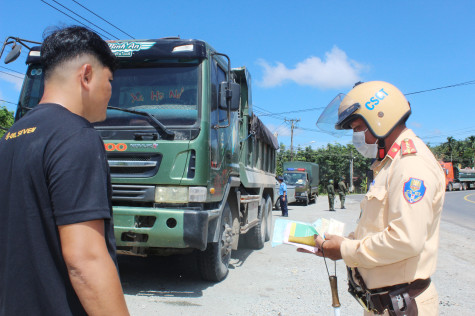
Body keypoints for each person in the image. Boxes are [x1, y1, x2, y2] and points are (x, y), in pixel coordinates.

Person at [0, 26, 129, 316]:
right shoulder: (76, 136)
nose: (111, 92)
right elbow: (86, 261)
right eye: (110, 80)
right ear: (86, 75)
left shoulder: (11, 136)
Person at [308, 81, 445, 315]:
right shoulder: (389, 165)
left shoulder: (410, 165)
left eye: (358, 127)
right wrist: (338, 242)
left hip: (403, 306)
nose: (356, 137)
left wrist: (345, 250)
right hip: (387, 304)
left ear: (381, 118)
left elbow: (406, 239)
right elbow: (377, 228)